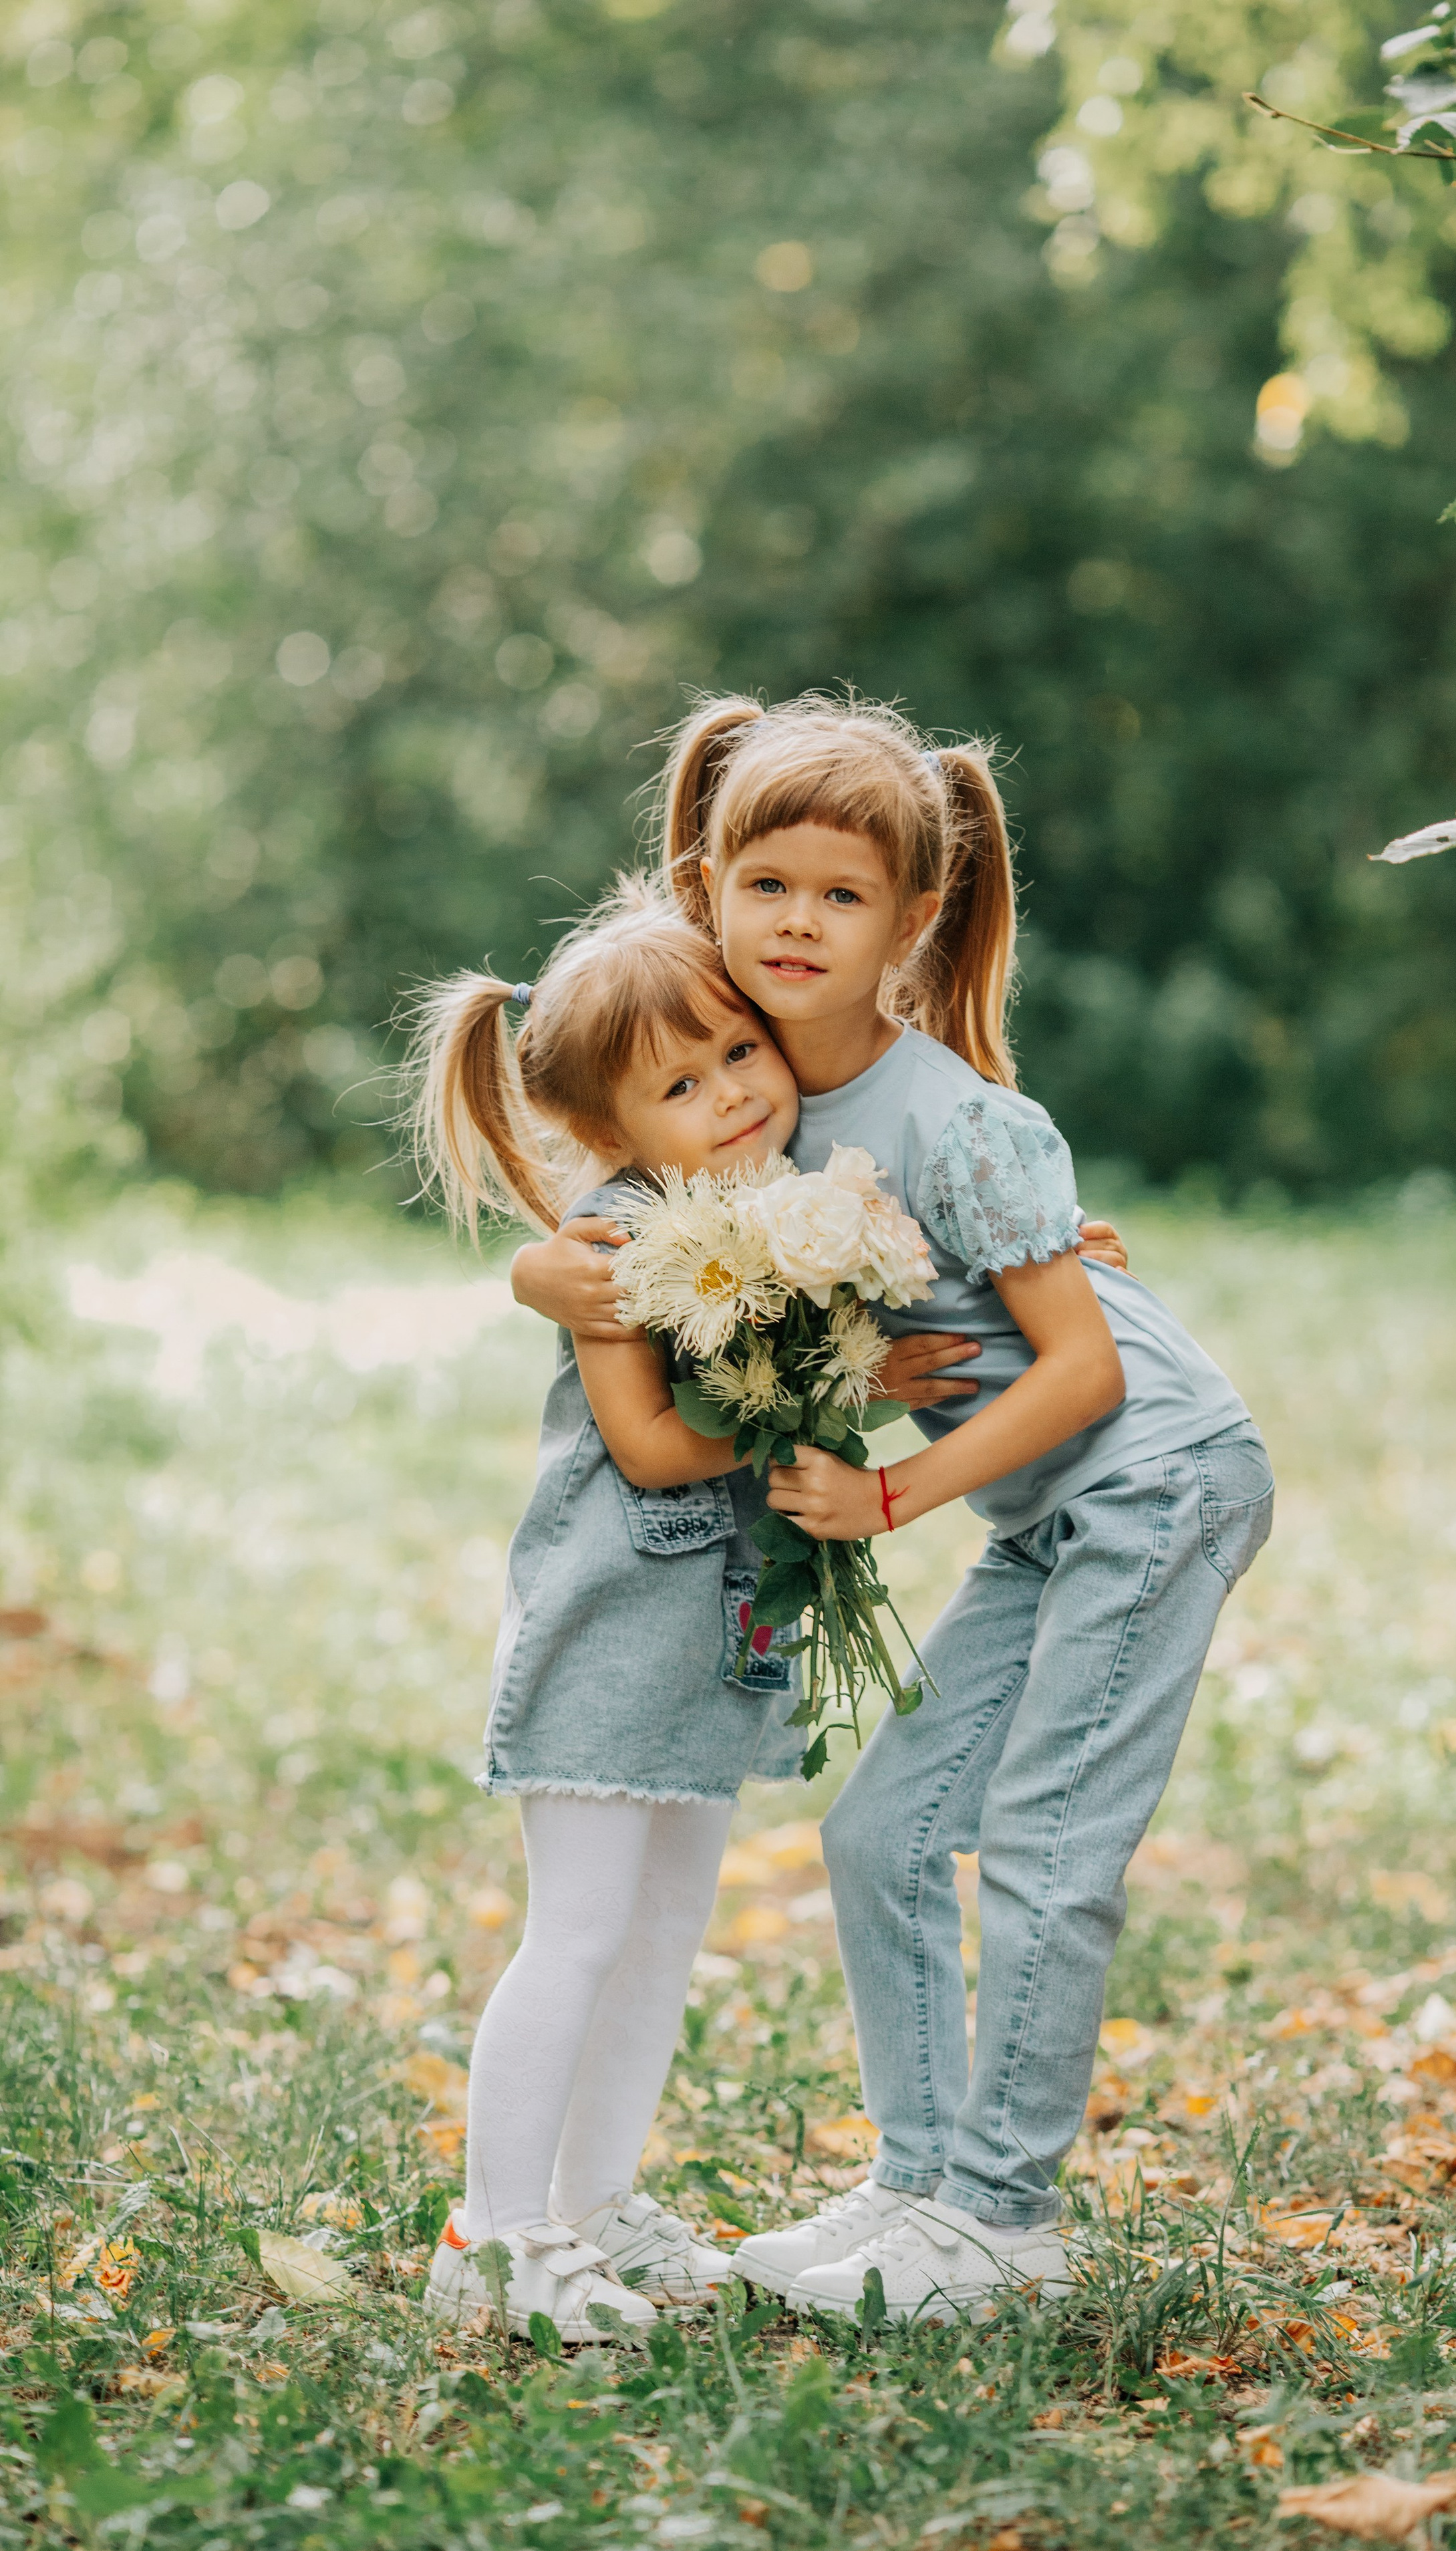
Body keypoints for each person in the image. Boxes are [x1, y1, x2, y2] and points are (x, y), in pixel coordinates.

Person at [650, 694, 1273, 2322]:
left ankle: (1004, 2222)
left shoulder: (955, 1114)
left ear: (911, 921)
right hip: (1047, 1512)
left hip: (1152, 1481)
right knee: (880, 1829)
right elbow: (891, 1334)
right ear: (701, 883)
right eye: (766, 882)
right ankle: (918, 2183)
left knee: (1050, 1848)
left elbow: (1081, 1375)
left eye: (841, 895)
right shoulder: (748, 1093)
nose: (796, 920)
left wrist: (890, 1493)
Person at [402, 882, 811, 2342]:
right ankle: (492, 2233)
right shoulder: (616, 1238)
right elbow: (647, 1448)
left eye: (739, 1054)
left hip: (713, 1640)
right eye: (682, 1085)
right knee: (575, 1934)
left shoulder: (778, 1198)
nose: (730, 1094)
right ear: (614, 1131)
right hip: (600, 1635)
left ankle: (593, 2201)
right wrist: (814, 1410)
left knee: (662, 1933)